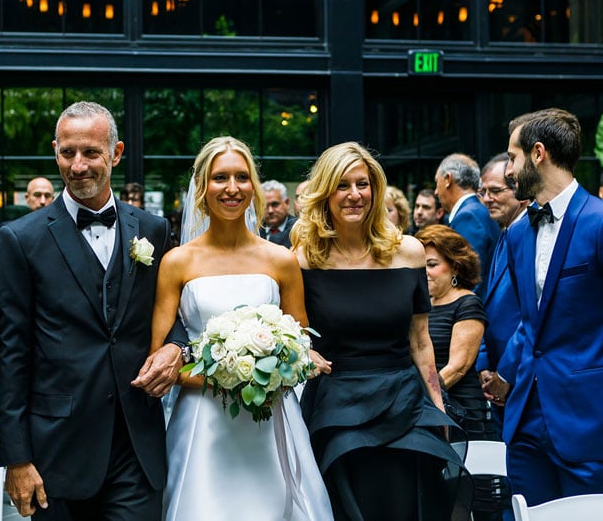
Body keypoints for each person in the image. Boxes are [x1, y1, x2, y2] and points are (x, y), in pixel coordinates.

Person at [0, 101, 187, 520]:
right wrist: (16, 458)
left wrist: (177, 349)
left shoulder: (152, 229)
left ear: (116, 154)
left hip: (135, 446)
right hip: (56, 452)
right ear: (55, 151)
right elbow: (10, 353)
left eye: (91, 153)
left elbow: (173, 318)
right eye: (67, 153)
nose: (78, 165)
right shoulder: (21, 240)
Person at [154, 136, 333, 520]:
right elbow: (160, 360)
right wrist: (228, 376)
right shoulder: (177, 262)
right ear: (202, 188)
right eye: (220, 178)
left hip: (272, 421)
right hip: (204, 422)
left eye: (241, 177)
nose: (231, 188)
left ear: (253, 186)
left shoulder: (281, 260)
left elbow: (301, 344)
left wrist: (275, 370)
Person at [292, 142, 471, 520]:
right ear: (325, 192)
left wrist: (437, 407)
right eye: (343, 185)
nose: (354, 195)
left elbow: (420, 342)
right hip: (337, 406)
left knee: (407, 503)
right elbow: (293, 332)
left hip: (403, 401)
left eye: (363, 184)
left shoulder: (408, 251)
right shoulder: (304, 258)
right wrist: (303, 352)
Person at [484, 108, 603, 505]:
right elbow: (529, 322)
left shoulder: (599, 222)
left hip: (587, 418)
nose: (508, 171)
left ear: (538, 154)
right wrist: (507, 373)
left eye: (512, 158)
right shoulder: (518, 234)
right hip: (524, 420)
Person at [415, 224, 494, 441]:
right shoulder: (420, 304)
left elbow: (457, 368)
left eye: (432, 264)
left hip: (460, 411)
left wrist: (421, 398)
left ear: (456, 267)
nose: (424, 272)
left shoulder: (467, 303)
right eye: (420, 265)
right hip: (426, 411)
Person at [476, 153, 529, 438]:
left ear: (520, 194)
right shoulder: (503, 236)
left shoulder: (529, 237)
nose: (487, 199)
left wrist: (505, 375)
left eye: (496, 191)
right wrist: (484, 365)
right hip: (499, 381)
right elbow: (489, 307)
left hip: (522, 379)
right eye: (483, 191)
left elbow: (530, 316)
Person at [435, 153, 500, 297]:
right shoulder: (477, 210)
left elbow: (471, 278)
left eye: (436, 182)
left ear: (447, 179)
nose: (435, 191)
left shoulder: (468, 216)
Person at [260, 179, 297, 248]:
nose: (270, 211)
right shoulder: (255, 230)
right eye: (265, 206)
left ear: (287, 203)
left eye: (275, 204)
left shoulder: (298, 229)